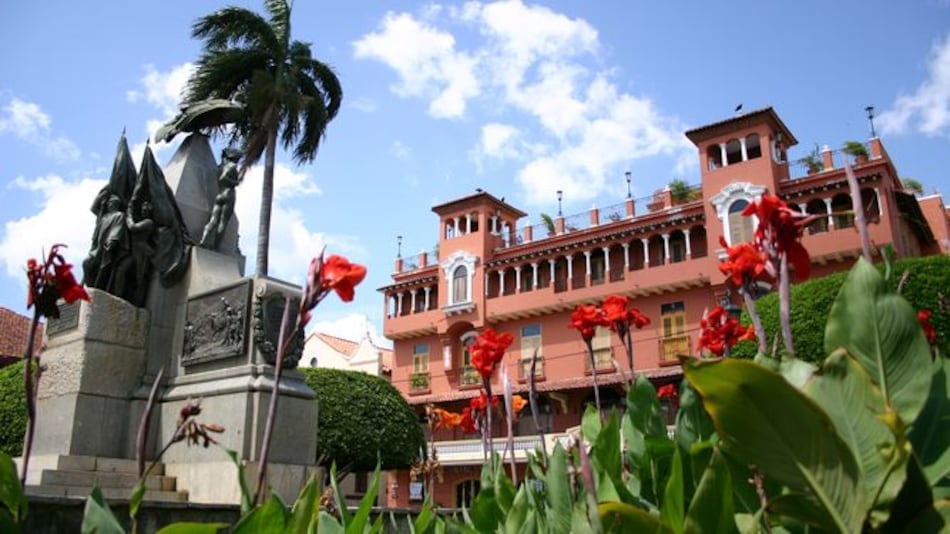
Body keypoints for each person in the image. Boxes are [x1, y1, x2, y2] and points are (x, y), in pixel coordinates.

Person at [200, 147, 242, 250]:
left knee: (213, 219)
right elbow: (223, 178)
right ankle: (216, 246)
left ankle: (203, 240)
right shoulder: (232, 166)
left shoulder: (221, 167)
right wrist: (236, 182)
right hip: (228, 193)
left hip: (219, 194)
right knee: (223, 222)